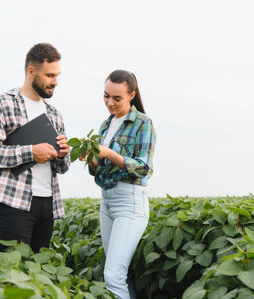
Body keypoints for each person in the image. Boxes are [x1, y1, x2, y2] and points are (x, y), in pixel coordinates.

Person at [0, 43, 70, 253]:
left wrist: (62, 155)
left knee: (37, 273)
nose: (55, 82)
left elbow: (63, 168)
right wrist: (31, 152)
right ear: (31, 71)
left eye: (57, 75)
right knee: (12, 272)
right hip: (13, 202)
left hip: (47, 203)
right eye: (49, 75)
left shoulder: (54, 114)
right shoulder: (2, 104)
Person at [82, 70, 156, 299]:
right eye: (106, 96)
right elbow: (99, 171)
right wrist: (93, 161)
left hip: (130, 202)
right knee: (120, 275)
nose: (109, 103)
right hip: (108, 202)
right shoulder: (105, 125)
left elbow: (145, 167)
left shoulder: (143, 123)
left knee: (113, 275)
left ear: (132, 95)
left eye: (117, 98)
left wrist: (111, 154)